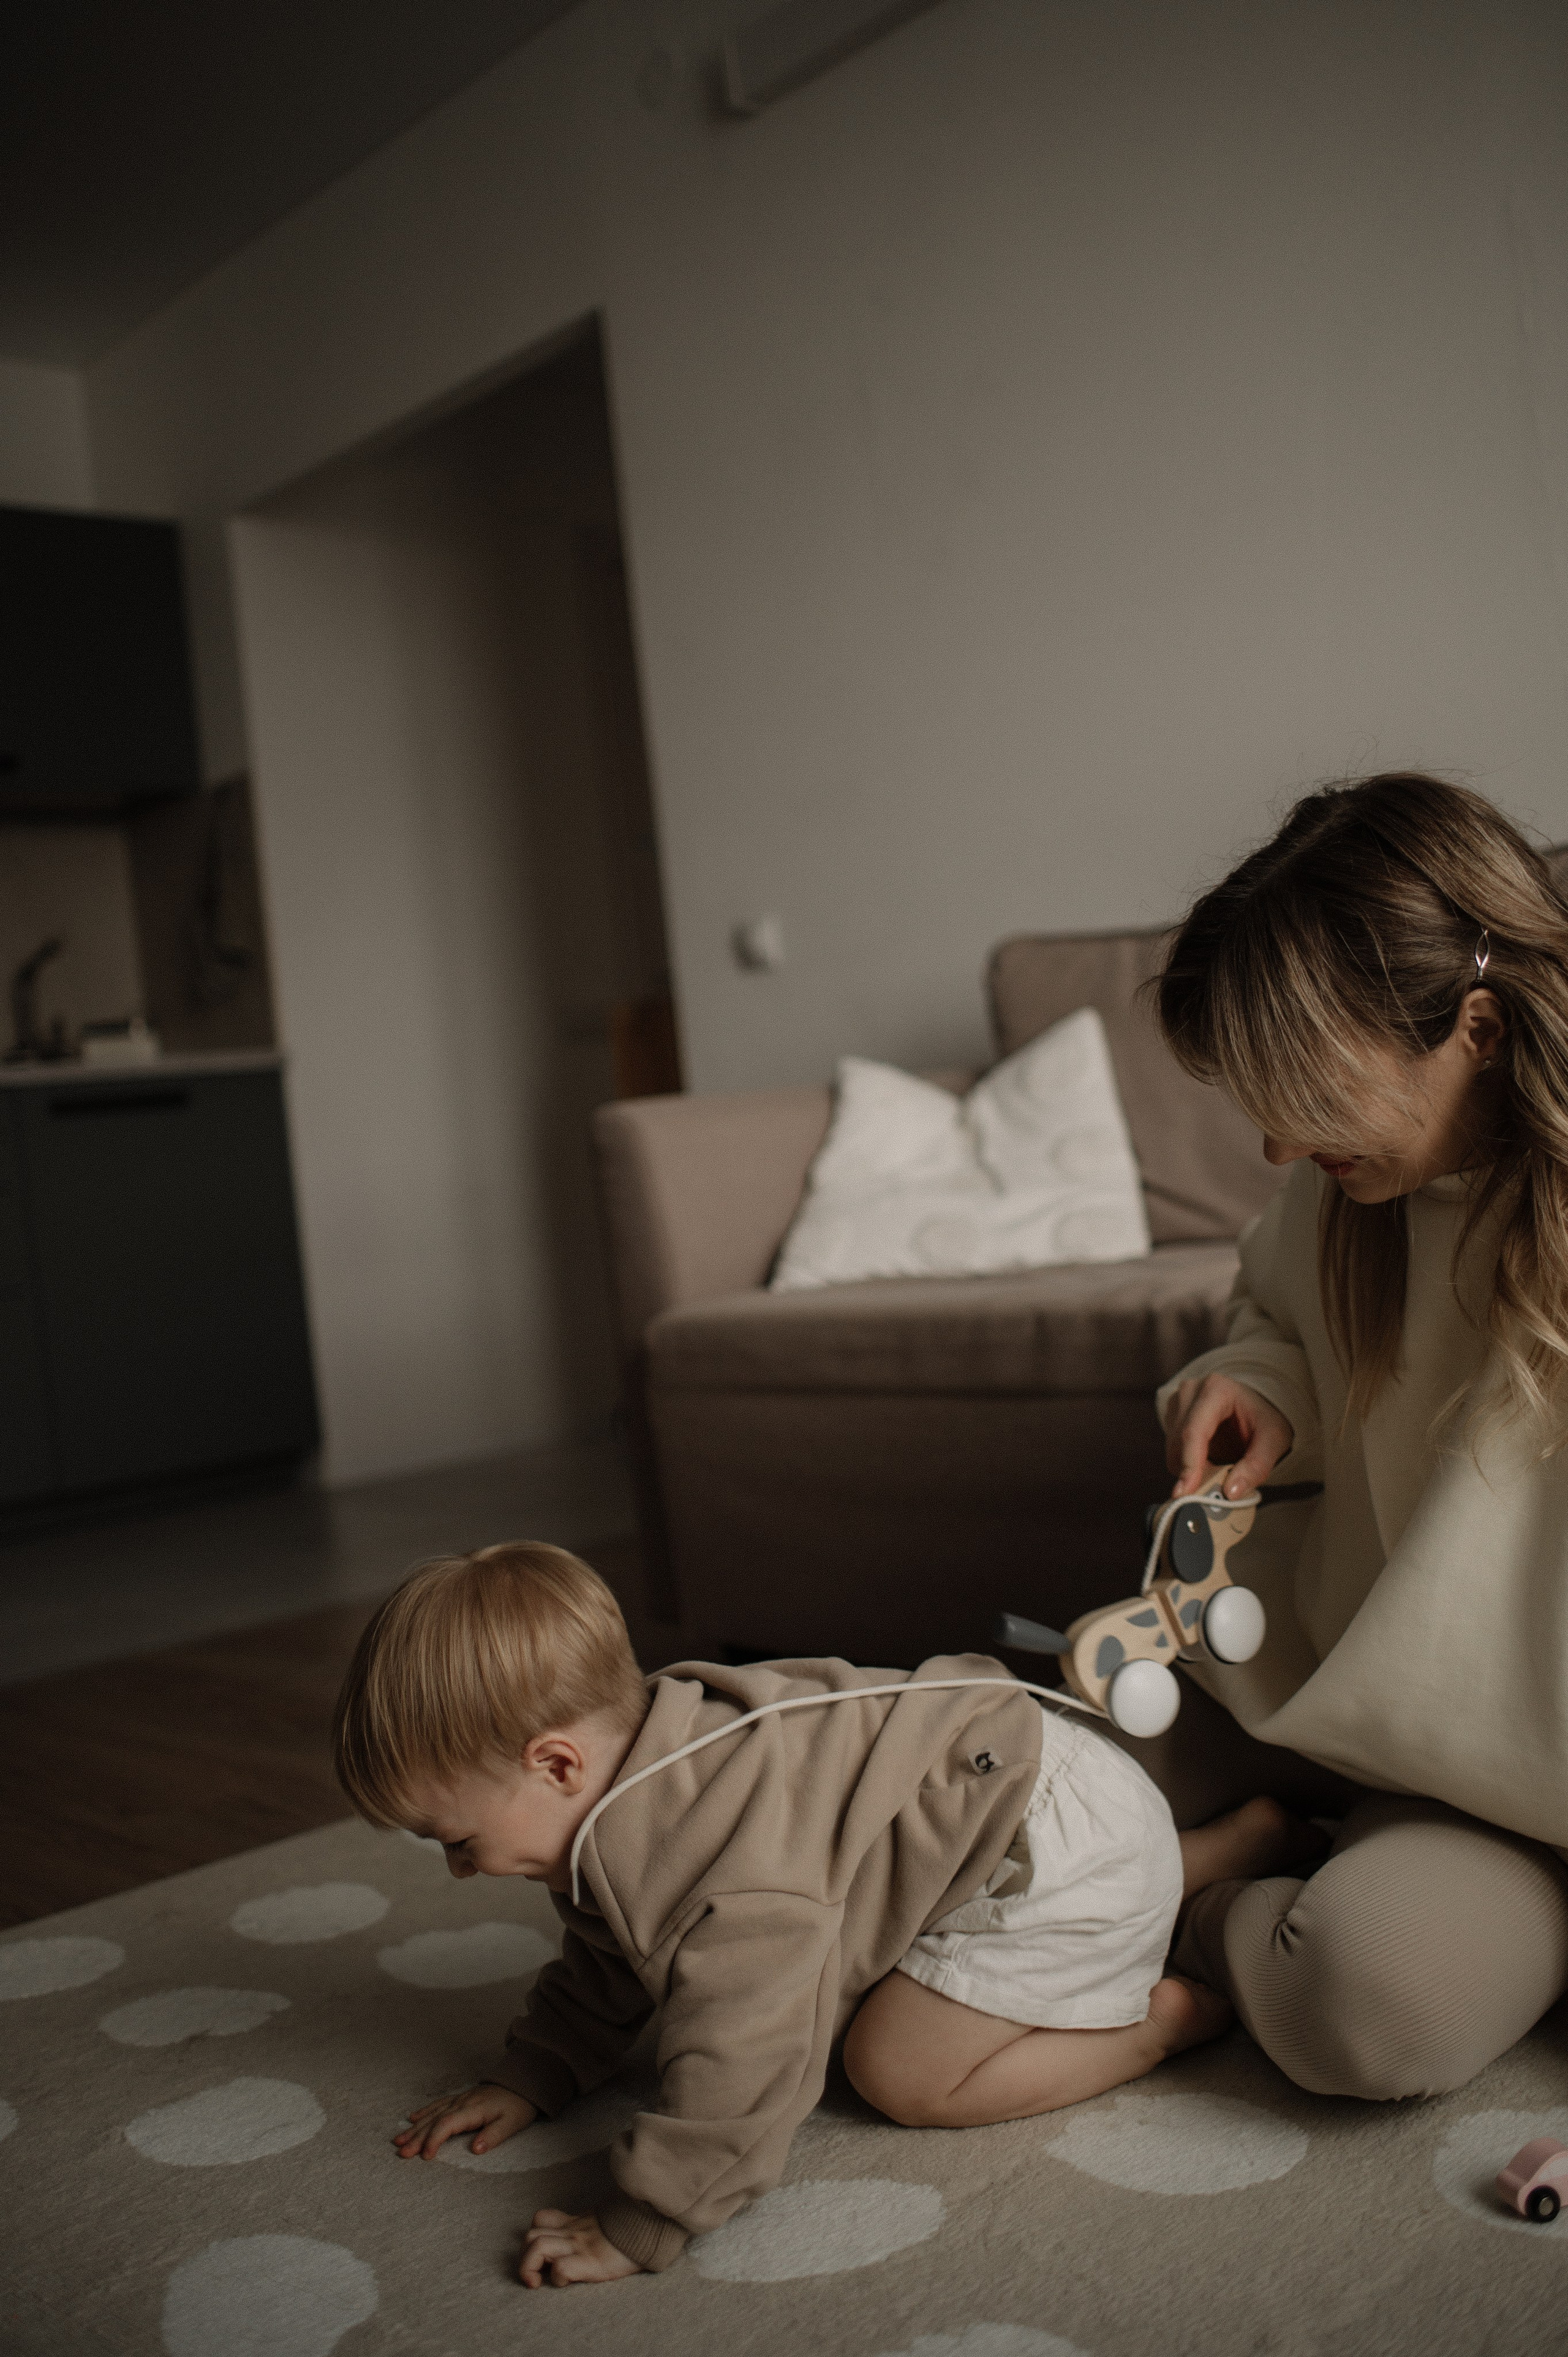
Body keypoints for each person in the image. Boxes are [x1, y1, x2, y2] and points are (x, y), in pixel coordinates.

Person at [331, 1542, 1312, 2288]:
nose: (459, 1871)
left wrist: (644, 2224)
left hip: (1053, 1857)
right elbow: (610, 1958)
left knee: (892, 2066)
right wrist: (534, 2072)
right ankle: (1216, 1852)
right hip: (1036, 1790)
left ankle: (1153, 2025)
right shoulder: (640, 1777)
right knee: (887, 1952)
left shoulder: (727, 1878)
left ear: (557, 1766)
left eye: (454, 1840)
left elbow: (746, 2057)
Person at [1153, 771, 1568, 2102]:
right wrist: (1257, 1378)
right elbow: (1260, 1303)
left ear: (1480, 1027)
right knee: (1361, 2001)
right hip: (1448, 1776)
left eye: (1307, 1093)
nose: (1278, 1142)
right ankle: (1223, 1895)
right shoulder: (1346, 1201)